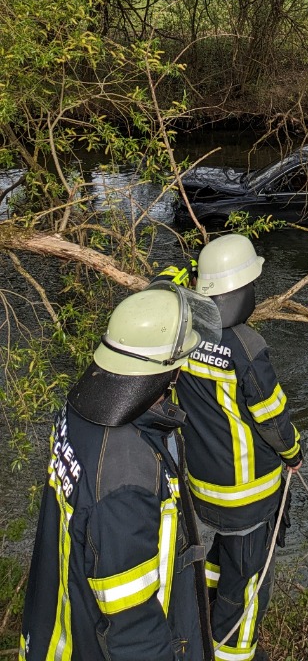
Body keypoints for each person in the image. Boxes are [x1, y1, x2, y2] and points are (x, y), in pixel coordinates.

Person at [20, 282, 221, 661]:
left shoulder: (80, 408)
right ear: (168, 373)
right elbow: (133, 630)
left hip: (60, 623)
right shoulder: (126, 479)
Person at [174, 233, 302, 661]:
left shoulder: (184, 335)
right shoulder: (246, 348)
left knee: (219, 559)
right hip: (248, 497)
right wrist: (294, 453)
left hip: (204, 490)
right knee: (247, 583)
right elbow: (273, 417)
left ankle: (202, 625)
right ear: (240, 289)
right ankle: (233, 653)